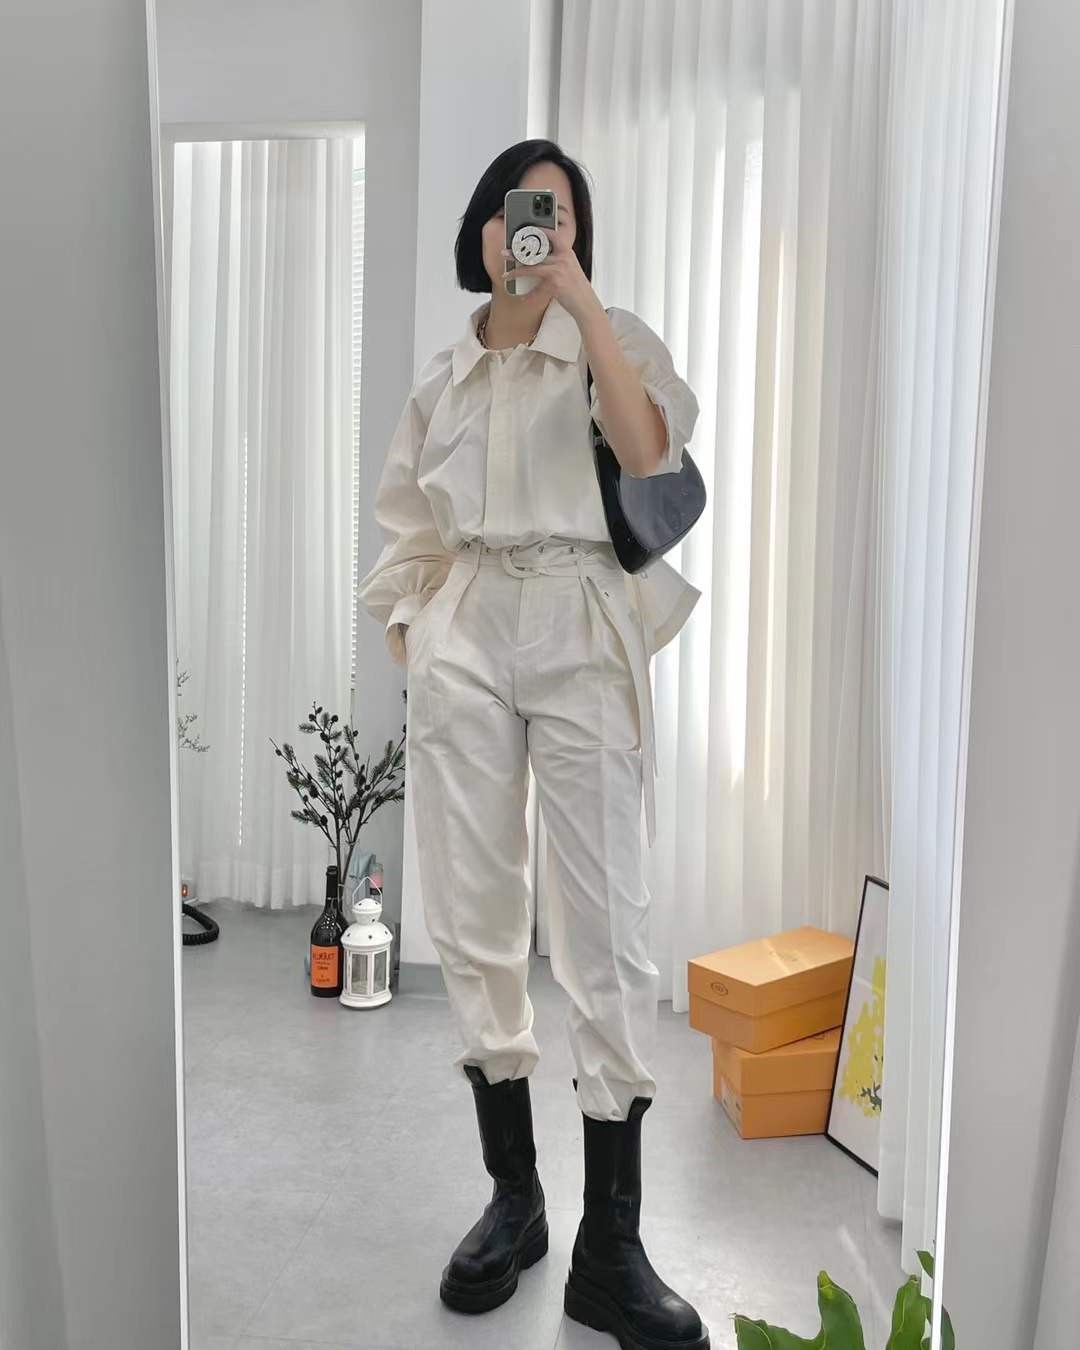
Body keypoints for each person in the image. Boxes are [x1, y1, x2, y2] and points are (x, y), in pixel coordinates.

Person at [357, 139, 709, 1350]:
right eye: (524, 210)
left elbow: (649, 453)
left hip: (579, 616)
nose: (539, 229)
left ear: (576, 236)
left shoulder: (613, 338)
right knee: (473, 911)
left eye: (561, 216)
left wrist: (581, 303)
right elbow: (407, 525)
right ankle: (516, 1200)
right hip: (466, 627)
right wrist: (419, 636)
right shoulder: (444, 376)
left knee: (607, 919)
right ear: (485, 225)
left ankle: (612, 1248)